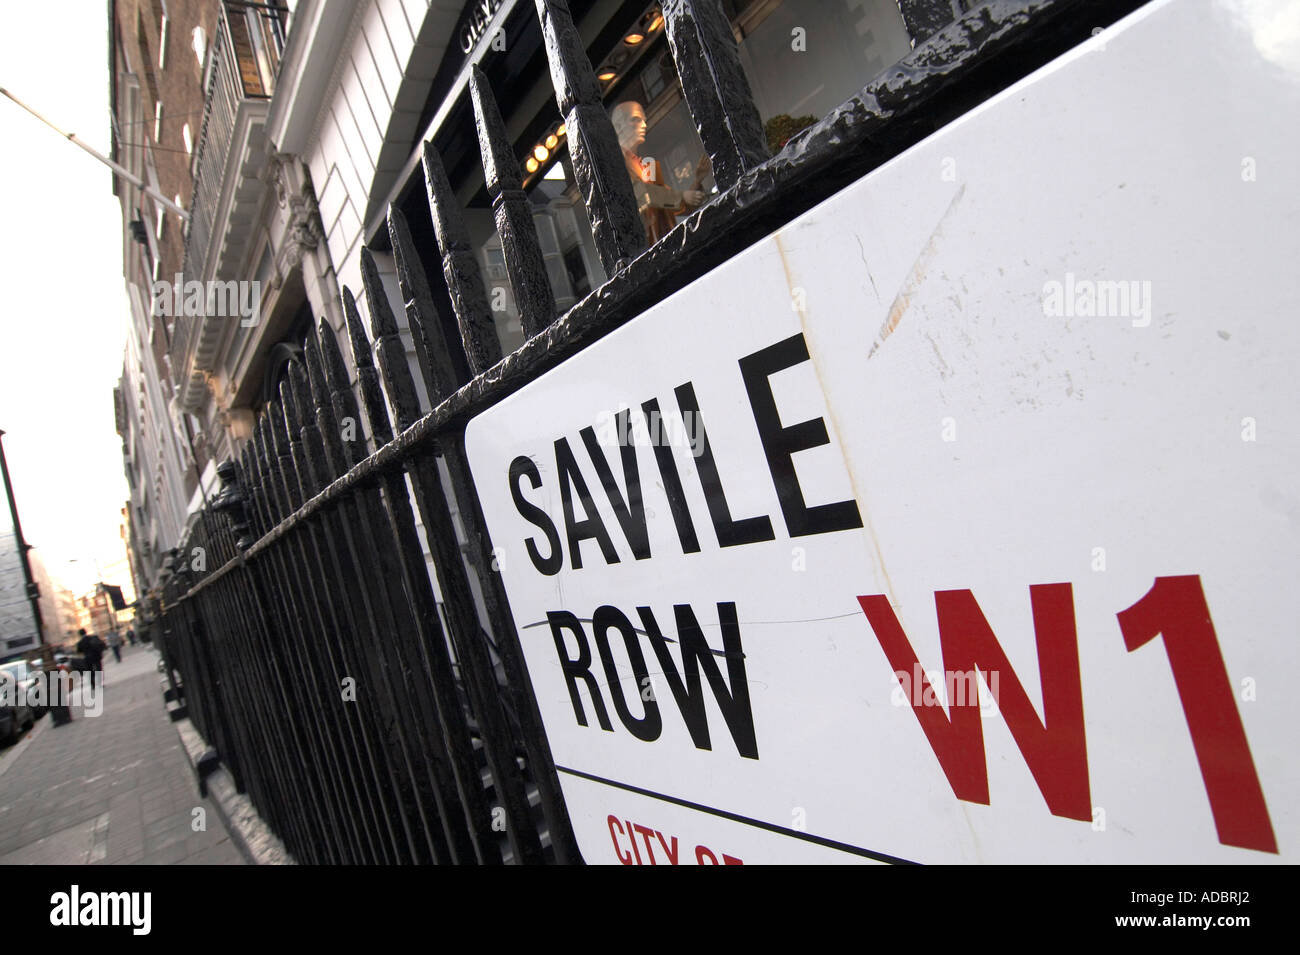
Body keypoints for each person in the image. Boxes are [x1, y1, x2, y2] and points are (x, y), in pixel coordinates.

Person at [610, 101, 707, 244]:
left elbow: (676, 204)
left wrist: (697, 181)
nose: (644, 125)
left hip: (668, 248)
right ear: (618, 127)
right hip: (648, 253)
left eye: (644, 121)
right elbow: (640, 194)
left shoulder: (648, 167)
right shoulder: (615, 167)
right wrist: (682, 196)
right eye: (636, 120)